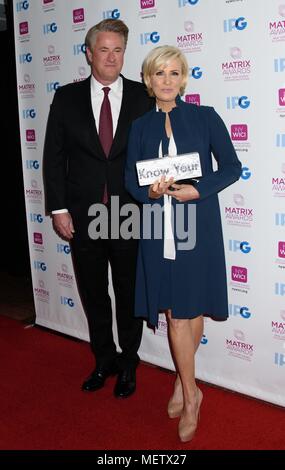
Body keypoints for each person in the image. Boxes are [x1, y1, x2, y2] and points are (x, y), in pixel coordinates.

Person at [125, 45, 242, 441]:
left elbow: (231, 167)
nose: (167, 81)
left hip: (198, 225)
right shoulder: (140, 127)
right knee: (176, 314)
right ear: (148, 80)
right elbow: (130, 180)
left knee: (192, 312)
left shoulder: (205, 117)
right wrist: (151, 194)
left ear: (184, 78)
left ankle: (182, 382)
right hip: (159, 229)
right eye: (160, 74)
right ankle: (193, 393)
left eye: (175, 73)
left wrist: (199, 190)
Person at [43, 19, 154, 399]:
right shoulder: (66, 98)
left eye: (118, 50)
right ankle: (103, 359)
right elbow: (54, 158)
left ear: (125, 53)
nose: (111, 57)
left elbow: (158, 152)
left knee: (128, 292)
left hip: (129, 213)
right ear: (89, 53)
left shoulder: (145, 96)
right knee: (93, 293)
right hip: (84, 214)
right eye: (103, 49)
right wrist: (58, 208)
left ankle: (129, 363)